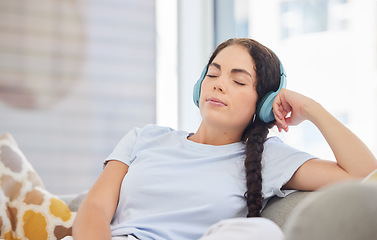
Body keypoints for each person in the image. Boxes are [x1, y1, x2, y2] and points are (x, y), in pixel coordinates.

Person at [69, 38, 377, 240]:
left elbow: (364, 177)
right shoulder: (144, 138)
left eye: (238, 80)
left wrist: (312, 109)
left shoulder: (268, 158)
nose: (218, 86)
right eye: (213, 74)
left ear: (263, 103)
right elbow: (95, 208)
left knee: (259, 234)